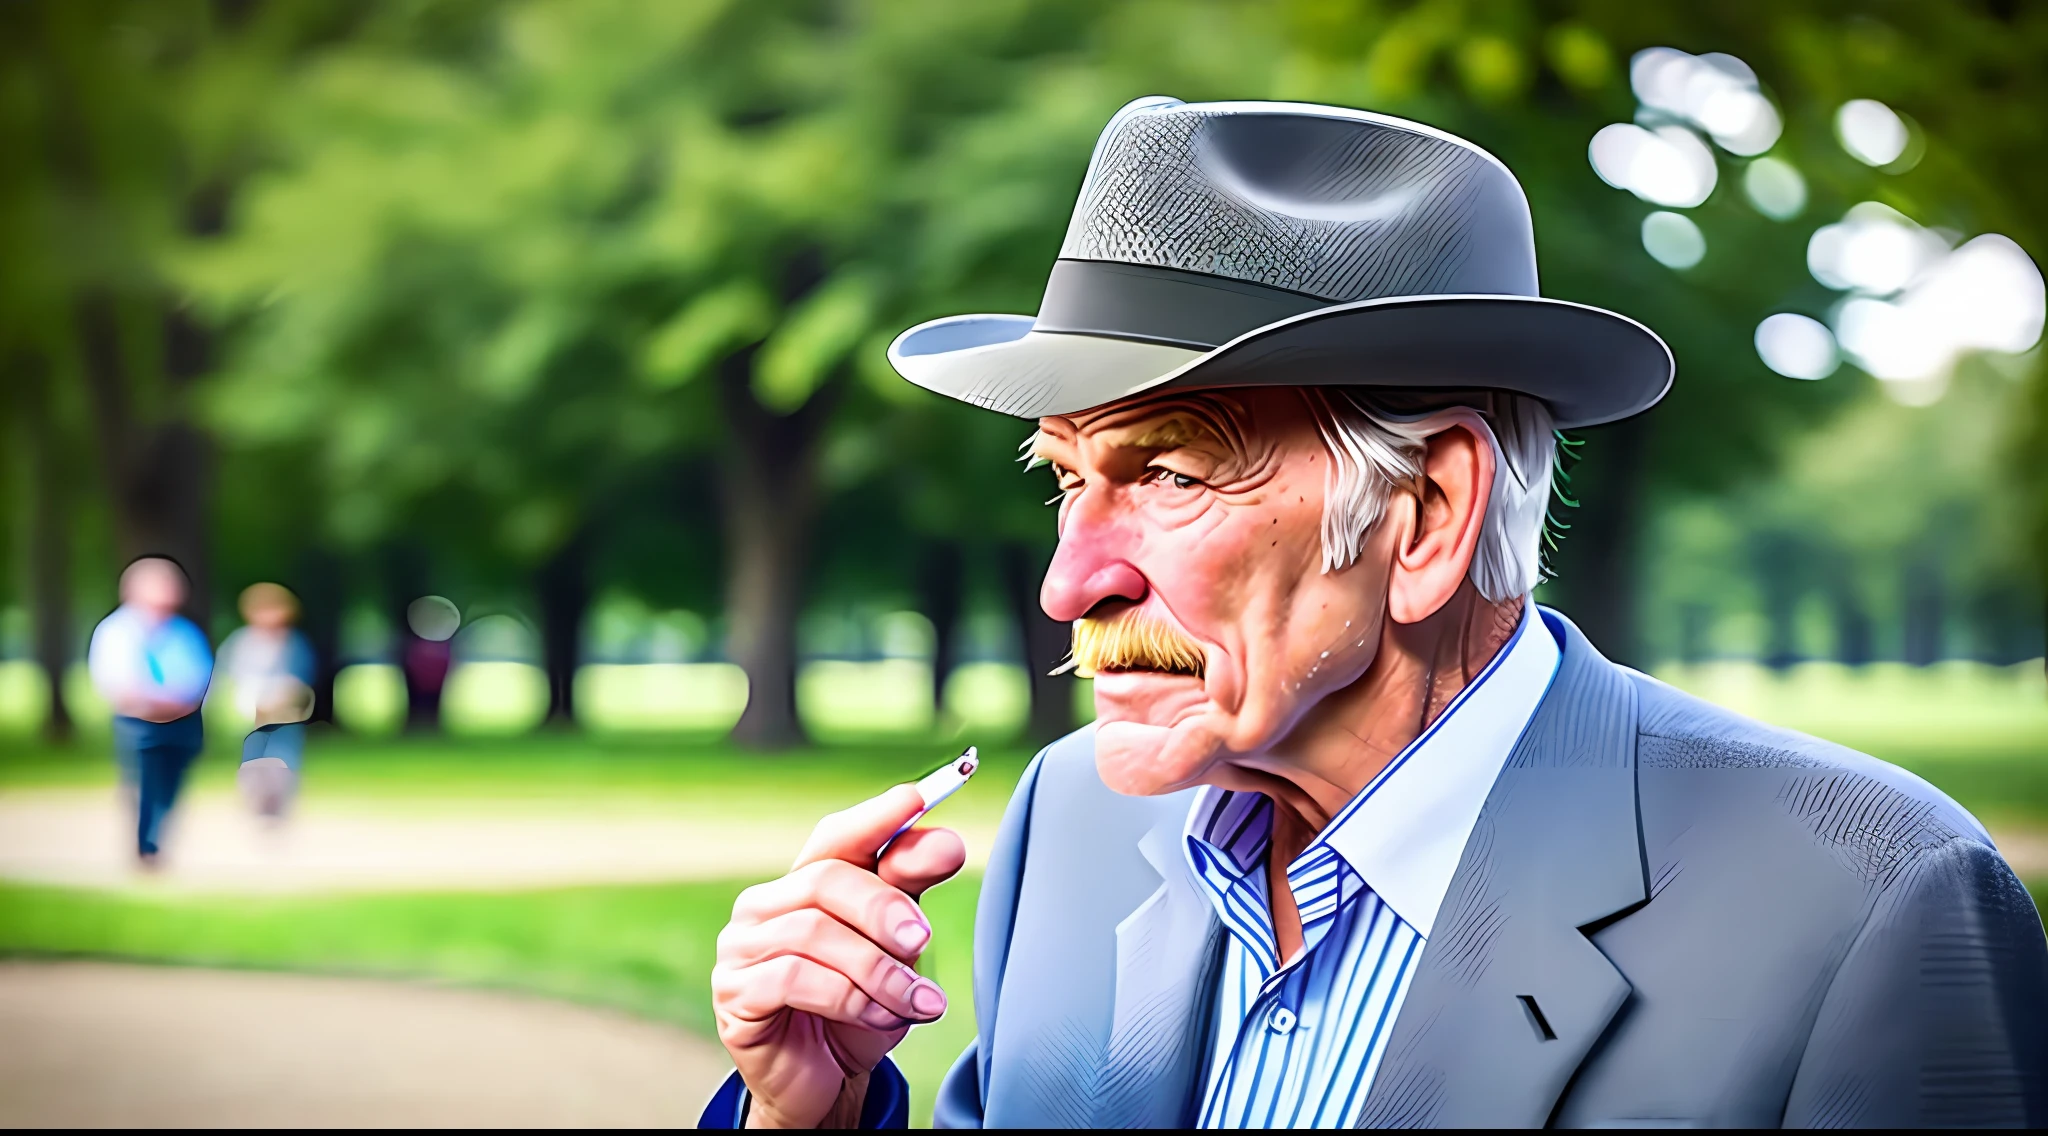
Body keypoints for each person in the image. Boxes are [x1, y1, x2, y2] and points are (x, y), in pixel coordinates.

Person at [703, 99, 2048, 1129]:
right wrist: (809, 1112)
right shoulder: (1073, 823)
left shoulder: (1867, 905)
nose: (1072, 583)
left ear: (1428, 514)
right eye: (1066, 477)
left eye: (1167, 472)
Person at [88, 556, 214, 868]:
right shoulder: (117, 631)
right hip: (139, 723)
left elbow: (200, 677)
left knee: (172, 785)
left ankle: (157, 837)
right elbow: (116, 682)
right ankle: (146, 845)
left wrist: (178, 702)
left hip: (183, 721)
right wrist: (156, 700)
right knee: (143, 784)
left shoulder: (185, 632)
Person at [219, 582, 317, 819]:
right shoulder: (242, 641)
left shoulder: (294, 643)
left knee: (283, 755)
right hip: (253, 711)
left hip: (286, 713)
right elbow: (230, 670)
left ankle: (279, 803)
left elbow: (302, 675)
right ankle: (256, 798)